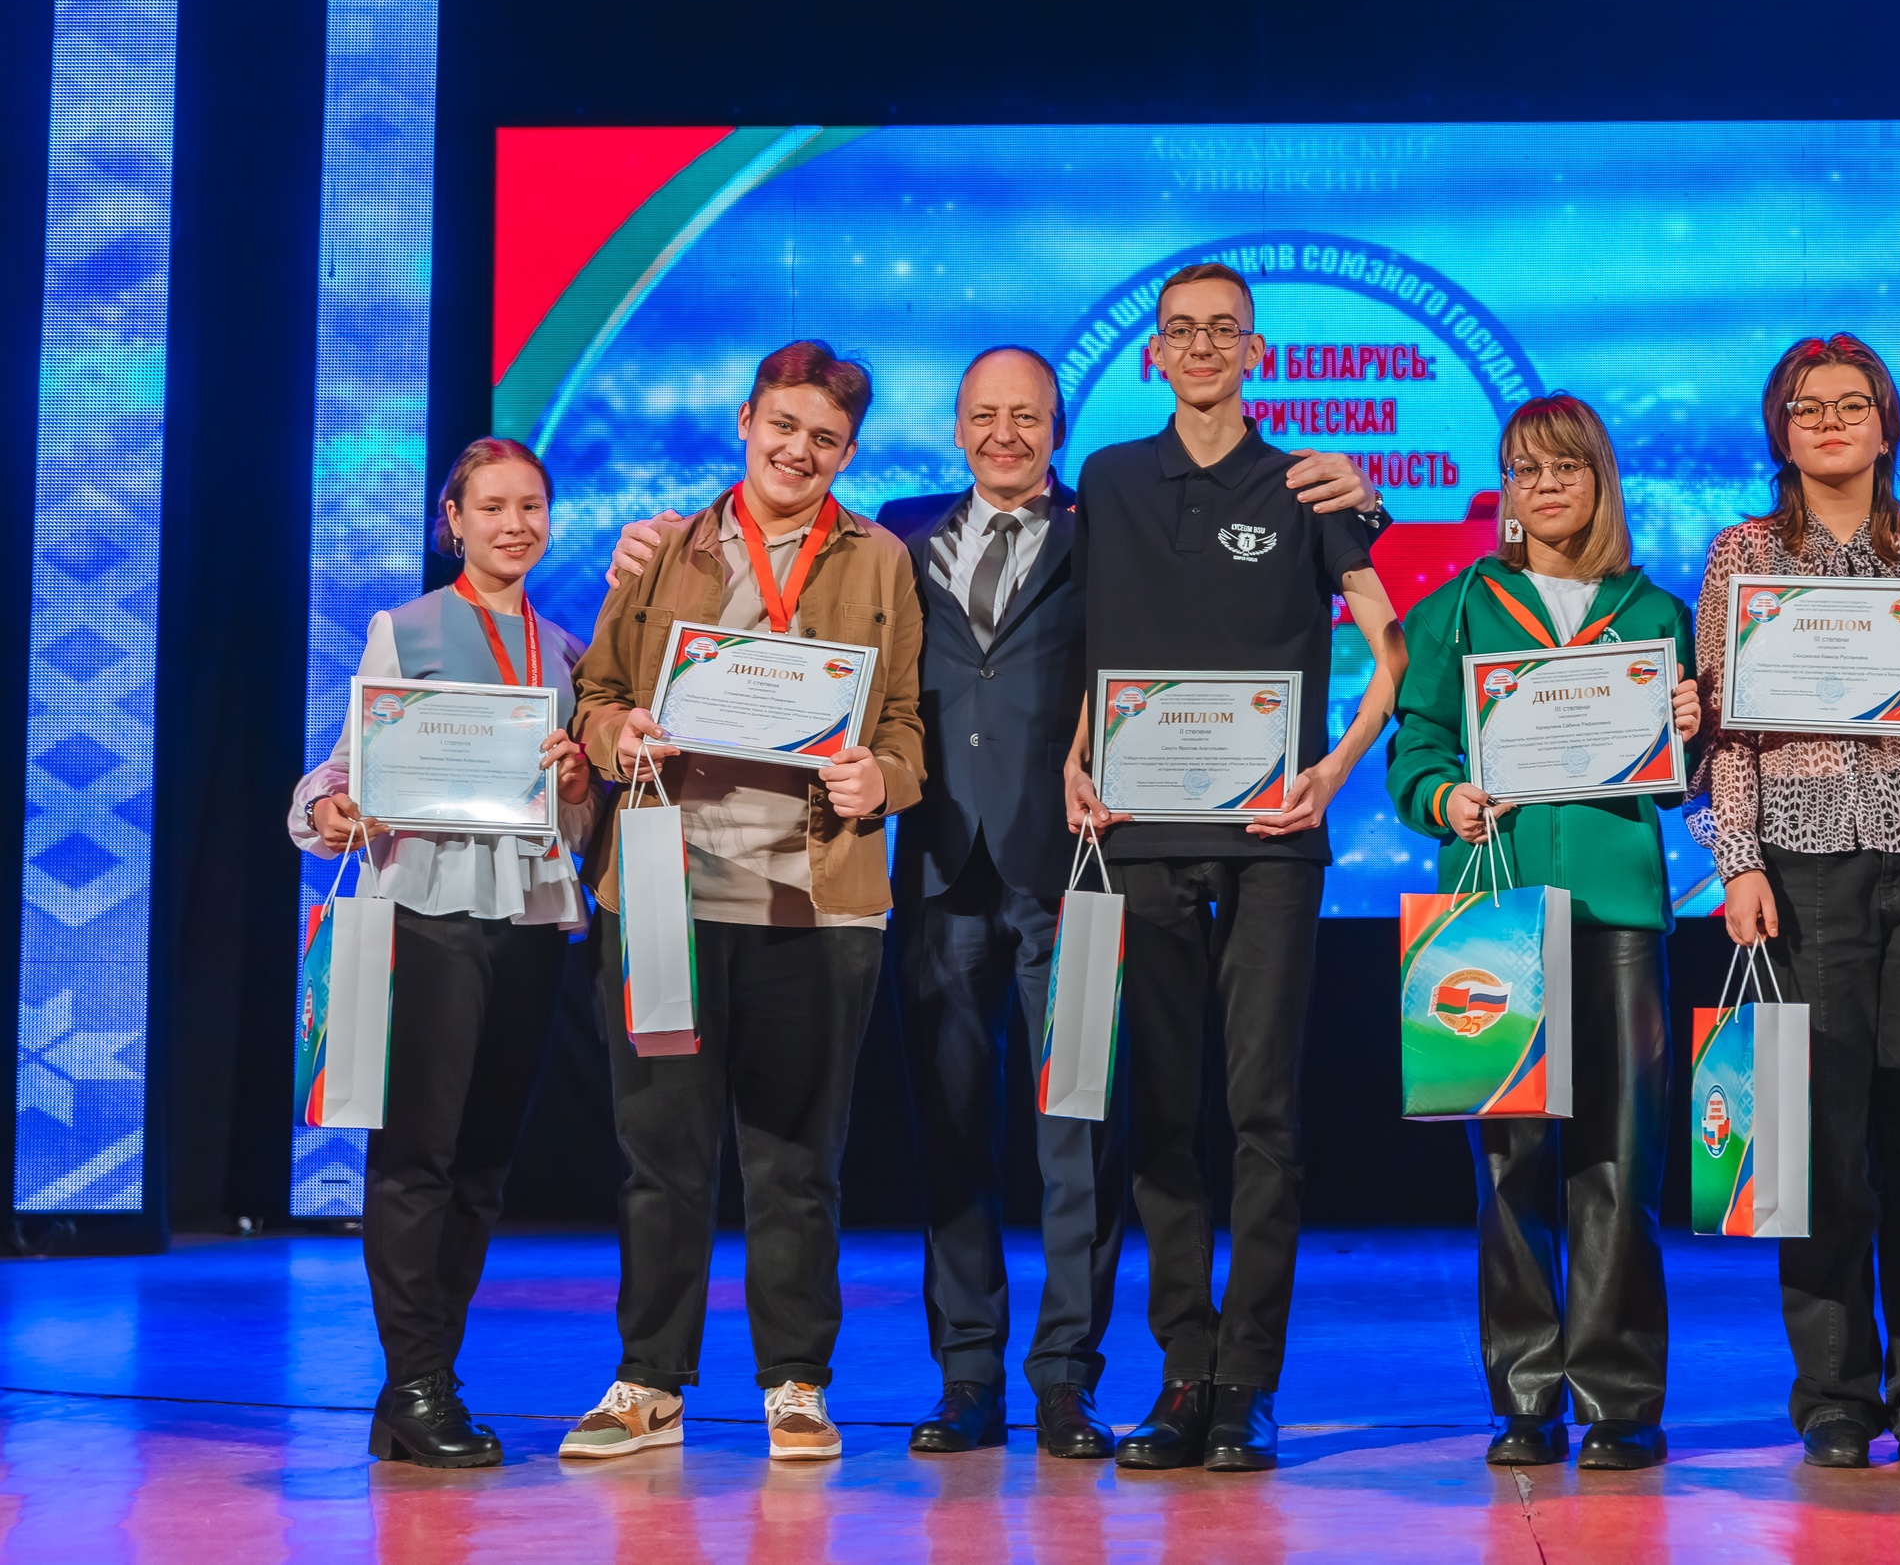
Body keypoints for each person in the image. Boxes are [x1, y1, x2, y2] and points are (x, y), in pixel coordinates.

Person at [604, 347, 1382, 1462]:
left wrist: (1362, 500)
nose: (1004, 434)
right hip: (938, 874)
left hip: (1077, 875)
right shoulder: (895, 534)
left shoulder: (1110, 524)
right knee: (953, 1135)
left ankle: (1066, 1379)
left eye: (1027, 416)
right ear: (957, 426)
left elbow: (1246, 568)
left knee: (1078, 1137)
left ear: (1058, 430)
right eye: (984, 415)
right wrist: (649, 539)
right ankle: (967, 1375)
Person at [1063, 261, 1406, 1473]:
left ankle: (1248, 1382)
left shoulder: (1308, 482)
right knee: (1160, 1115)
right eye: (1181, 331)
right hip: (1140, 835)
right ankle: (1182, 1376)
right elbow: (1090, 647)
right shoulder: (1108, 480)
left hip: (1272, 841)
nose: (1201, 347)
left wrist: (1334, 770)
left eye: (1224, 331)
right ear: (1153, 353)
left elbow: (1391, 646)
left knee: (1261, 1114)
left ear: (1257, 353)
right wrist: (1072, 758)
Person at [562, 338, 925, 1463]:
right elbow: (596, 693)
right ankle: (648, 1384)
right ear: (744, 423)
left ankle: (796, 1385)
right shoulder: (662, 549)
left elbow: (904, 723)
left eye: (825, 438)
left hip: (816, 902)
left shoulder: (880, 560)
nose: (799, 451)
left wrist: (885, 779)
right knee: (661, 1153)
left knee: (796, 1162)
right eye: (783, 426)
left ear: (847, 453)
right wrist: (615, 733)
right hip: (663, 891)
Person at [1384, 394, 1702, 1471]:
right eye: (1526, 469)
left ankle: (1619, 1399)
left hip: (1619, 914)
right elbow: (1416, 747)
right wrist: (1446, 799)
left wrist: (1691, 735)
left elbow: (1679, 784)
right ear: (1507, 491)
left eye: (1567, 466)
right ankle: (1525, 1396)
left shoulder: (1654, 612)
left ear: (1600, 481)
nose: (1547, 485)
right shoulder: (1457, 610)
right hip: (1498, 914)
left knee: (1619, 1158)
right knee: (1512, 1162)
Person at [1697, 333, 1900, 1472]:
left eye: (1851, 404)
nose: (1830, 422)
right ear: (1781, 431)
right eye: (1807, 407)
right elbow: (1724, 731)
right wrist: (1737, 861)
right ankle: (1832, 1393)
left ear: (1885, 424)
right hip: (1801, 865)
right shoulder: (1742, 555)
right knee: (1815, 1144)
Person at [288, 437, 596, 1468]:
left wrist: (579, 782)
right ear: (452, 520)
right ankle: (415, 1381)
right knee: (417, 1154)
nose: (515, 524)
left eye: (531, 506)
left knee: (483, 1164)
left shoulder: (565, 649)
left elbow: (573, 819)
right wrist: (330, 808)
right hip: (428, 908)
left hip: (529, 917)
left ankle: (426, 1381)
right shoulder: (407, 626)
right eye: (492, 506)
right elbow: (344, 768)